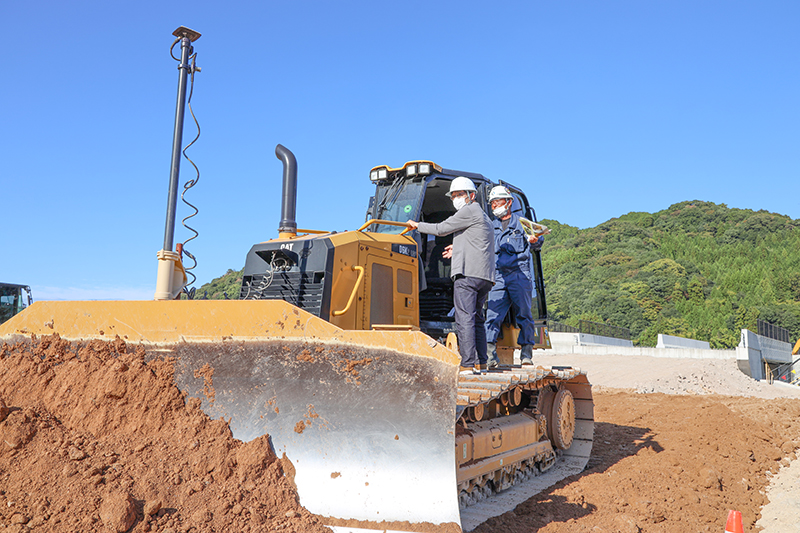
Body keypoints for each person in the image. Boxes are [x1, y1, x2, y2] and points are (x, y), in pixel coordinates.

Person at [406, 177, 495, 374]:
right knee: (477, 318)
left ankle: (467, 364)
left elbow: (441, 229)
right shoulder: (484, 217)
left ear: (471, 195)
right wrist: (457, 248)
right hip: (484, 276)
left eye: (459, 194)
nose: (455, 199)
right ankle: (481, 362)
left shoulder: (468, 211)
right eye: (453, 196)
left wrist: (416, 225)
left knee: (464, 318)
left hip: (468, 275)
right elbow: (479, 242)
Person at [484, 185, 543, 367]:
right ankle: (490, 355)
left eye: (497, 201)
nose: (494, 206)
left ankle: (526, 353)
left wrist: (535, 240)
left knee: (524, 314)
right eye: (492, 203)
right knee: (492, 314)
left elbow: (538, 240)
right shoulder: (489, 226)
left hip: (519, 275)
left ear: (508, 202)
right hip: (498, 276)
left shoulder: (523, 223)